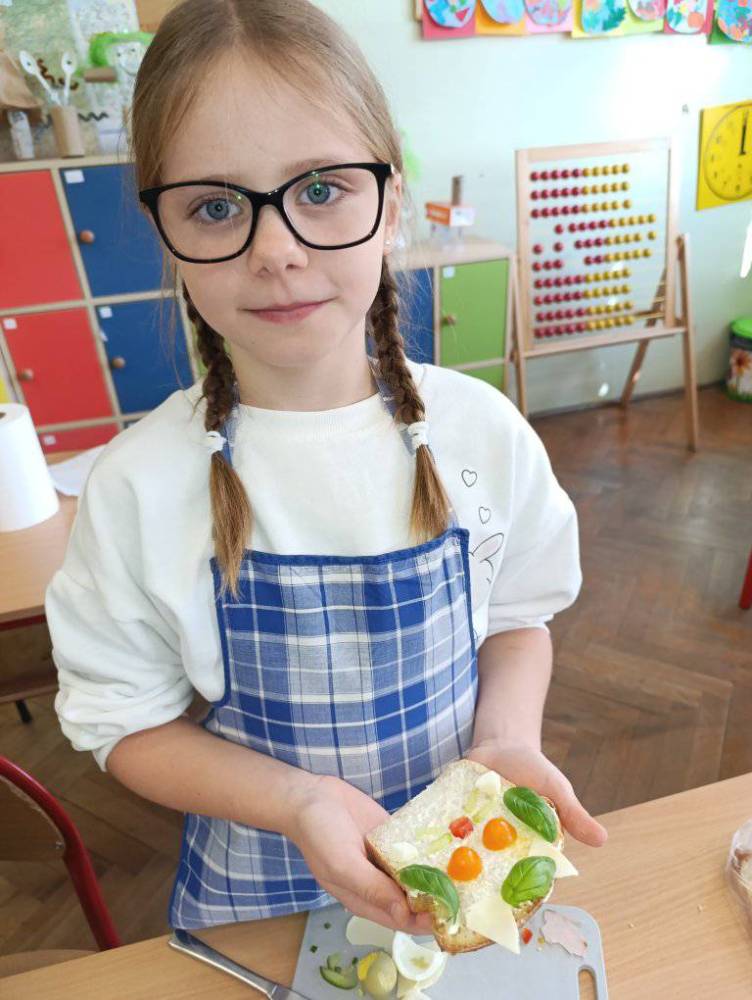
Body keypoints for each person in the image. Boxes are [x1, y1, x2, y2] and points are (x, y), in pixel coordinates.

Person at [45, 0, 606, 937]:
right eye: (216, 206)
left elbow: (517, 616)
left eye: (320, 190)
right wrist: (300, 802)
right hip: (257, 900)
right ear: (164, 230)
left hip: (456, 880)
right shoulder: (139, 485)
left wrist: (506, 739)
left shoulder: (481, 431)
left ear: (391, 203)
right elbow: (124, 723)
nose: (276, 250)